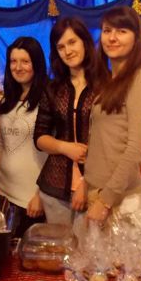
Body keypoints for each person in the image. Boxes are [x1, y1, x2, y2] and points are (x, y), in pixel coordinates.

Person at [84, 5, 141, 224]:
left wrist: (105, 200)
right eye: (107, 31)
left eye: (122, 31)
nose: (112, 38)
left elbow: (136, 150)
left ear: (136, 38)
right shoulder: (111, 81)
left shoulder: (139, 81)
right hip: (99, 193)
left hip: (118, 201)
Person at [34, 17, 99, 227]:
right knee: (58, 246)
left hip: (95, 187)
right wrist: (65, 147)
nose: (67, 51)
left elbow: (113, 143)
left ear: (85, 42)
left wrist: (86, 184)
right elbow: (39, 137)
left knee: (89, 247)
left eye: (72, 42)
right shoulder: (53, 88)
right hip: (54, 187)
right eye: (61, 47)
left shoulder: (106, 86)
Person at [0, 37, 49, 238]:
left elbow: (54, 154)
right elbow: (1, 145)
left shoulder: (48, 99)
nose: (18, 67)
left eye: (25, 61)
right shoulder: (9, 98)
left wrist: (41, 195)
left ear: (37, 64)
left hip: (31, 198)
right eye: (13, 61)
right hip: (3, 194)